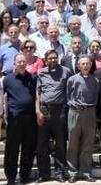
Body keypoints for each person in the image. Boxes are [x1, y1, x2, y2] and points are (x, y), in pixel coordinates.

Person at [36, 50, 72, 182]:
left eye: (55, 58)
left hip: (60, 111)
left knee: (61, 144)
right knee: (42, 144)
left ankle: (59, 173)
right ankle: (43, 174)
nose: (53, 60)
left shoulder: (66, 71)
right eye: (50, 58)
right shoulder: (41, 73)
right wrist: (38, 112)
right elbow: (38, 94)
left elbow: (71, 89)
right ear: (46, 60)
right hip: (44, 110)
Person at [3, 54, 37, 185]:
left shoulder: (32, 78)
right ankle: (11, 178)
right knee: (12, 149)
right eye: (19, 62)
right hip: (14, 119)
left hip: (30, 118)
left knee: (28, 149)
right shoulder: (8, 79)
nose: (22, 64)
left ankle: (24, 176)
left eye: (23, 62)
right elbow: (2, 96)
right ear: (15, 64)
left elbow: (37, 96)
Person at [66, 55, 99, 183]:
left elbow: (96, 97)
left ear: (91, 65)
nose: (85, 66)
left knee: (87, 143)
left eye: (87, 64)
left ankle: (85, 171)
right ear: (79, 66)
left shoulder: (95, 80)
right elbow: (68, 95)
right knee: (73, 142)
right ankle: (72, 172)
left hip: (90, 113)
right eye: (83, 64)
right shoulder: (72, 79)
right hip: (74, 112)